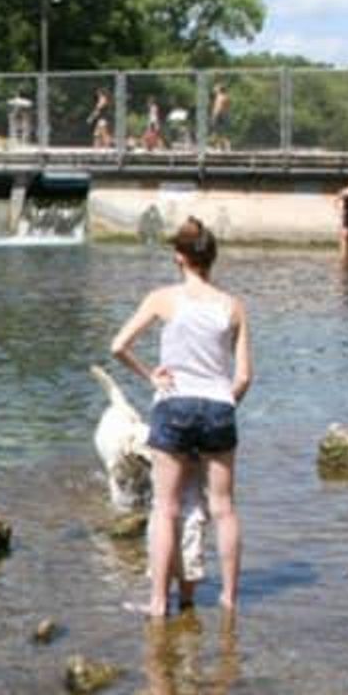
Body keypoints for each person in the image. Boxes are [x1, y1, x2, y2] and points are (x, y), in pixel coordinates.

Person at [109, 217, 252, 617]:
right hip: (220, 406)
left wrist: (150, 375)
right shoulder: (233, 306)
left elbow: (118, 345)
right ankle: (229, 598)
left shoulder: (163, 298)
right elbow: (243, 376)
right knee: (223, 507)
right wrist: (222, 405)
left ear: (179, 257)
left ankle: (157, 602)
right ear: (212, 258)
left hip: (174, 405)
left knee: (165, 508)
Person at [209, 83, 232, 151]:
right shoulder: (226, 96)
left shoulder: (219, 97)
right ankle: (227, 147)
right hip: (225, 114)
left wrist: (213, 117)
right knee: (222, 132)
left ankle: (218, 148)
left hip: (220, 115)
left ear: (219, 89)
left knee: (217, 132)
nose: (214, 88)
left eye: (215, 87)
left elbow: (217, 108)